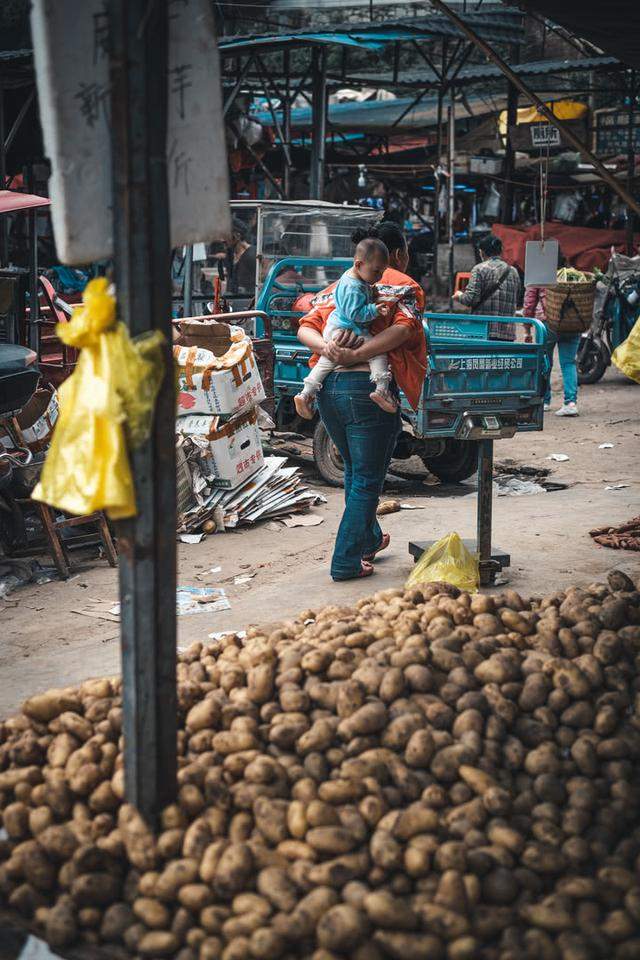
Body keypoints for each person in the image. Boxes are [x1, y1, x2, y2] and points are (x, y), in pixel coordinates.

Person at [297, 221, 427, 582]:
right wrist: (358, 354)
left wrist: (328, 351)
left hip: (328, 393)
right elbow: (403, 330)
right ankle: (345, 562)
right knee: (368, 478)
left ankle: (368, 540)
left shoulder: (334, 287)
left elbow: (304, 327)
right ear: (397, 255)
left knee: (355, 471)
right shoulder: (405, 286)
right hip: (365, 393)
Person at [294, 238, 395, 419]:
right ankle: (382, 389)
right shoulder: (352, 287)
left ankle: (305, 394)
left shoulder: (356, 279)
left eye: (382, 271)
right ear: (359, 264)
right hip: (348, 330)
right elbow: (355, 313)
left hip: (339, 329)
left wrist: (372, 294)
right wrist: (375, 310)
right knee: (378, 352)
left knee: (327, 361)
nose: (380, 276)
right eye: (376, 271)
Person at [523, 283, 580, 417]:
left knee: (544, 362)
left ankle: (544, 401)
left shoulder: (540, 272)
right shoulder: (574, 267)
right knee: (569, 363)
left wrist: (527, 329)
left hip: (548, 323)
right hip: (572, 322)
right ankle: (571, 403)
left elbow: (529, 302)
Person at [453, 234, 520, 341]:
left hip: (483, 332)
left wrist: (459, 296)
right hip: (507, 333)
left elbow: (471, 299)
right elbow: (516, 299)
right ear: (500, 251)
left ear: (482, 252)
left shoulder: (479, 269)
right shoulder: (513, 271)